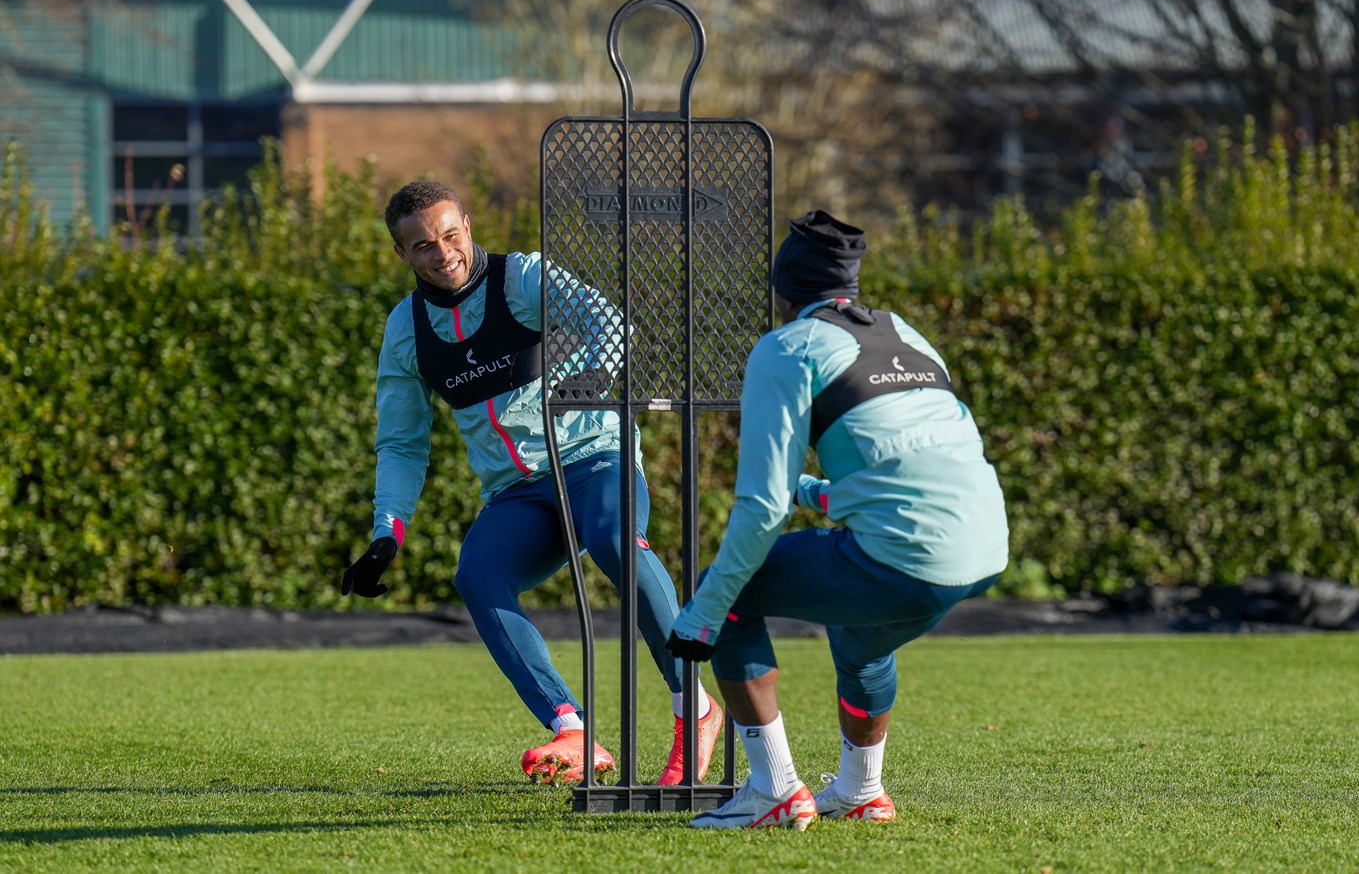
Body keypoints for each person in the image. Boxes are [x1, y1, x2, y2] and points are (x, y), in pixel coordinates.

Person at [343, 179, 722, 787]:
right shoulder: (406, 329)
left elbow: (612, 327)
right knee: (477, 576)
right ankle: (571, 729)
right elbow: (402, 445)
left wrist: (587, 381)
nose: (442, 255)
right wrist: (387, 531)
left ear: (467, 224)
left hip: (596, 456)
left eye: (448, 235)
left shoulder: (523, 278)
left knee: (616, 541)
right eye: (421, 247)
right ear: (401, 254)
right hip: (518, 492)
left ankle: (695, 709)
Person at [665, 209, 1009, 829]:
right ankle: (860, 792)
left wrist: (705, 610)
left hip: (905, 555)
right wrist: (821, 496)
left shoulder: (787, 346)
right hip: (982, 550)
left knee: (731, 595)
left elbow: (761, 507)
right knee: (861, 640)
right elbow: (914, 465)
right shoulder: (905, 333)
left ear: (782, 288)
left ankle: (773, 790)